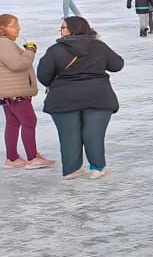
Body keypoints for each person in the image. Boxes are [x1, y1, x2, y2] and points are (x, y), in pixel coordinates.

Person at [37, 17, 123, 179]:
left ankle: (71, 169)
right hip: (98, 96)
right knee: (93, 133)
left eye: (63, 27)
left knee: (68, 134)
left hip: (64, 98)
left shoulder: (55, 50)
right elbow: (117, 65)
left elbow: (43, 75)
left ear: (73, 29)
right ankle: (97, 167)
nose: (60, 30)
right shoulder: (99, 47)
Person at [0, 15, 54, 170]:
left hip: (9, 92)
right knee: (29, 121)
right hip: (15, 93)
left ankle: (12, 158)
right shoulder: (4, 44)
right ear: (2, 28)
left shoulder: (6, 44)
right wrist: (30, 50)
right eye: (14, 26)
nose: (18, 29)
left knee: (13, 123)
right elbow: (18, 65)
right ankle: (32, 158)